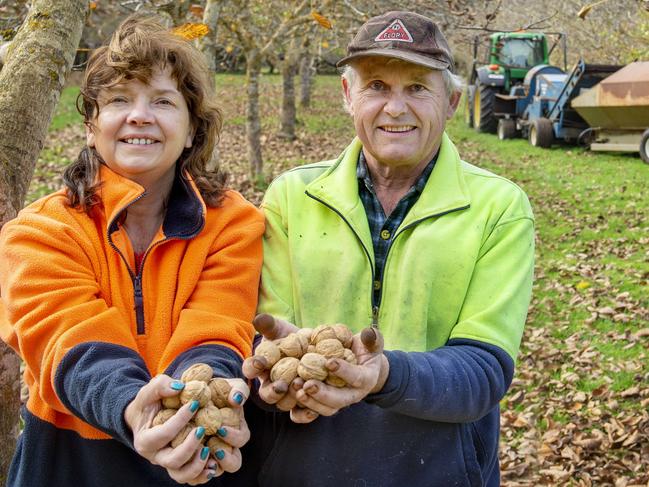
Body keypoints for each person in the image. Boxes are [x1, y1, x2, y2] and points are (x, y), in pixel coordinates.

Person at [240, 11, 535, 487]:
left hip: (436, 472)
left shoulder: (498, 207)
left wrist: (383, 375)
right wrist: (272, 376)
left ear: (453, 101)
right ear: (346, 95)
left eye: (417, 88)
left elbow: (484, 368)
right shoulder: (291, 196)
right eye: (376, 85)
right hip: (301, 469)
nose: (395, 108)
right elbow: (264, 341)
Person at [0, 16, 264, 486]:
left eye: (162, 101)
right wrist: (132, 410)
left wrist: (200, 409)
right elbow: (69, 340)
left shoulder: (233, 223)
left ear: (190, 132)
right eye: (120, 99)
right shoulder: (39, 230)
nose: (139, 115)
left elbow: (219, 328)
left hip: (196, 459)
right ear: (91, 127)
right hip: (71, 464)